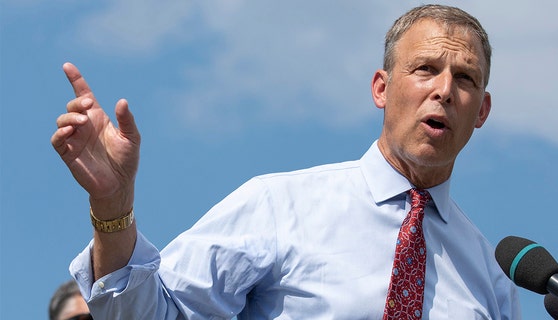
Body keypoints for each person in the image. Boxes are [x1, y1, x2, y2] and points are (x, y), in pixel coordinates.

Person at [51, 4, 521, 319]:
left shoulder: (493, 278)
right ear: (381, 88)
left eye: (465, 78)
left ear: (481, 110)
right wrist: (113, 205)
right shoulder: (281, 205)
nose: (444, 90)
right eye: (425, 69)